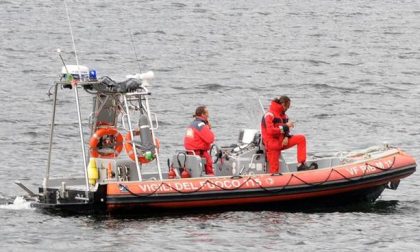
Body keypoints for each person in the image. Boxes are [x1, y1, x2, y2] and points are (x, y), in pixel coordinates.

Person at [261, 96, 308, 173]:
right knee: (274, 170)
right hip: (272, 145)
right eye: (287, 107)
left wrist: (286, 136)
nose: (287, 109)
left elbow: (286, 129)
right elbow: (270, 131)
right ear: (283, 104)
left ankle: (301, 165)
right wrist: (286, 126)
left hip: (282, 141)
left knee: (301, 139)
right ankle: (274, 179)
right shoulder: (269, 115)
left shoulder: (284, 115)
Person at [184, 106, 215, 175]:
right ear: (202, 114)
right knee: (209, 167)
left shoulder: (192, 124)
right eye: (207, 113)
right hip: (200, 154)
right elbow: (210, 139)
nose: (208, 115)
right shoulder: (200, 125)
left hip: (190, 153)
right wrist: (208, 127)